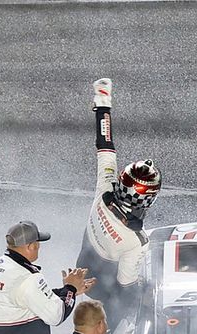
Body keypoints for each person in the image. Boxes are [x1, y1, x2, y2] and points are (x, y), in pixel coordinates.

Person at [74, 77, 161, 318]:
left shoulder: (105, 188)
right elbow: (126, 285)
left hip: (83, 264)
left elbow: (105, 144)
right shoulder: (136, 241)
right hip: (103, 290)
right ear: (148, 199)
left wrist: (103, 101)